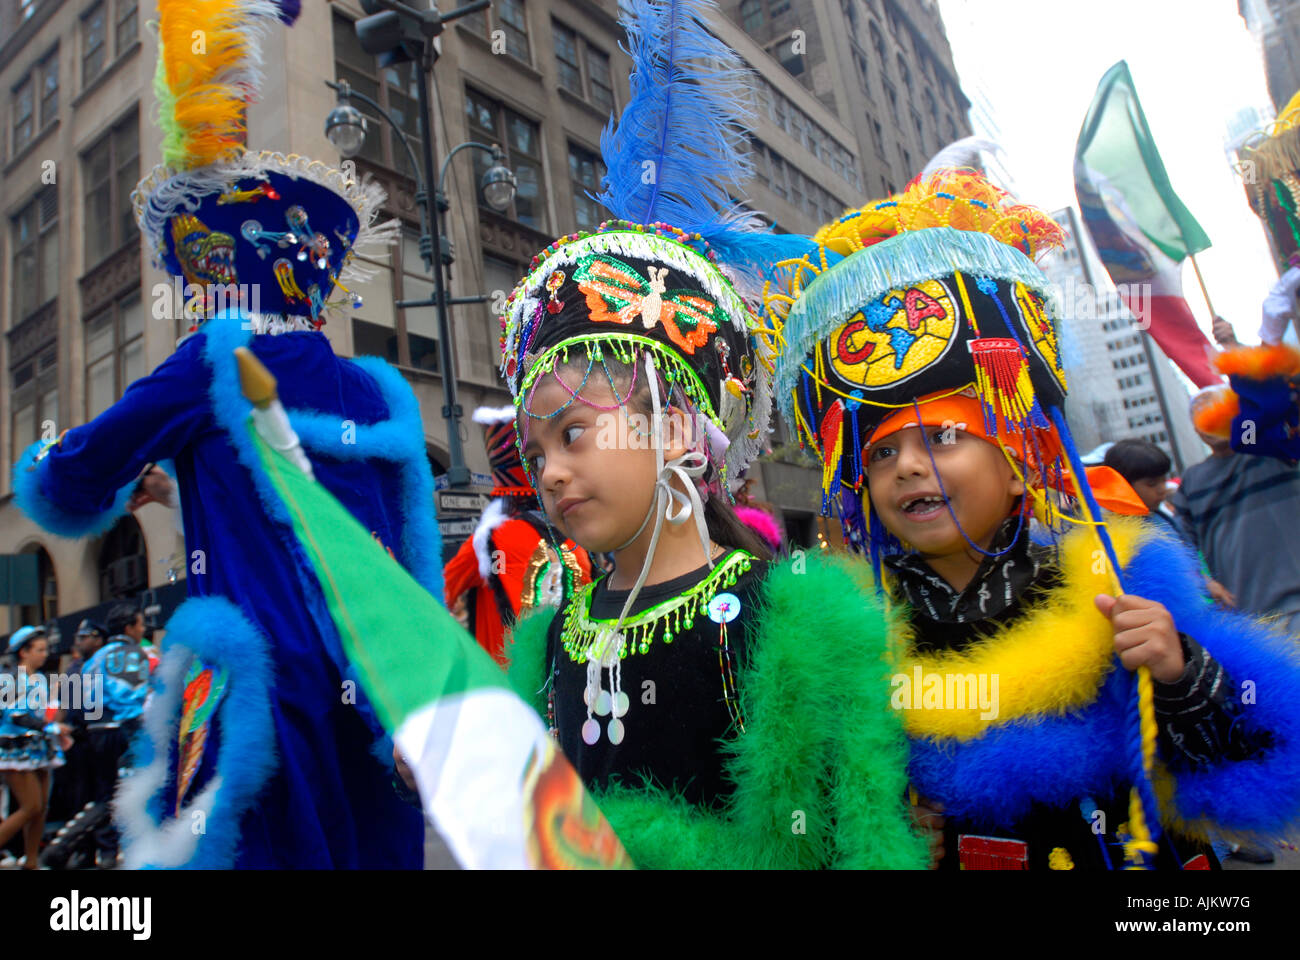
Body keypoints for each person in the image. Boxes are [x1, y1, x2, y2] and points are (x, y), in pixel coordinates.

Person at [766, 169, 1300, 869]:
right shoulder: (853, 632)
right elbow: (811, 807)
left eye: (942, 437)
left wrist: (1177, 671)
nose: (906, 467)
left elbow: (1246, 770)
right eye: (882, 452)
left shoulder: (1115, 591)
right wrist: (875, 825)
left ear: (1019, 463)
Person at [497, 0, 926, 869]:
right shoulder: (548, 639)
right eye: (536, 451)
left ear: (679, 430)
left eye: (575, 433)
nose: (548, 472)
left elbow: (855, 837)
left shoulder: (787, 619)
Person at [12, 0, 431, 868]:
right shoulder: (380, 389)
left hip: (256, 701)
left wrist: (58, 469)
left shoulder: (213, 357)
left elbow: (73, 477)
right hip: (368, 697)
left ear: (215, 277)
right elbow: (411, 565)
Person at [442, 407, 592, 666]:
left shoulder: (488, 539)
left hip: (507, 686)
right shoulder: (574, 540)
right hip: (571, 676)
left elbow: (440, 591)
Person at [1170, 384, 1300, 635]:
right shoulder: (1192, 482)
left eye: (1220, 409)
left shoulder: (1274, 452)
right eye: (1201, 412)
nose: (1211, 416)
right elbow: (1178, 544)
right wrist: (1202, 581)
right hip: (1249, 624)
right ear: (1196, 429)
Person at [0, 626, 71, 869]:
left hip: (39, 749)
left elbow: (45, 713)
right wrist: (51, 729)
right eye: (40, 650)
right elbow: (17, 716)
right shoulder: (9, 679)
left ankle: (31, 862)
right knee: (31, 807)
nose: (45, 654)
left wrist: (57, 726)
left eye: (45, 649)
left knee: (41, 809)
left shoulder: (40, 679)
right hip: (14, 750)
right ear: (23, 652)